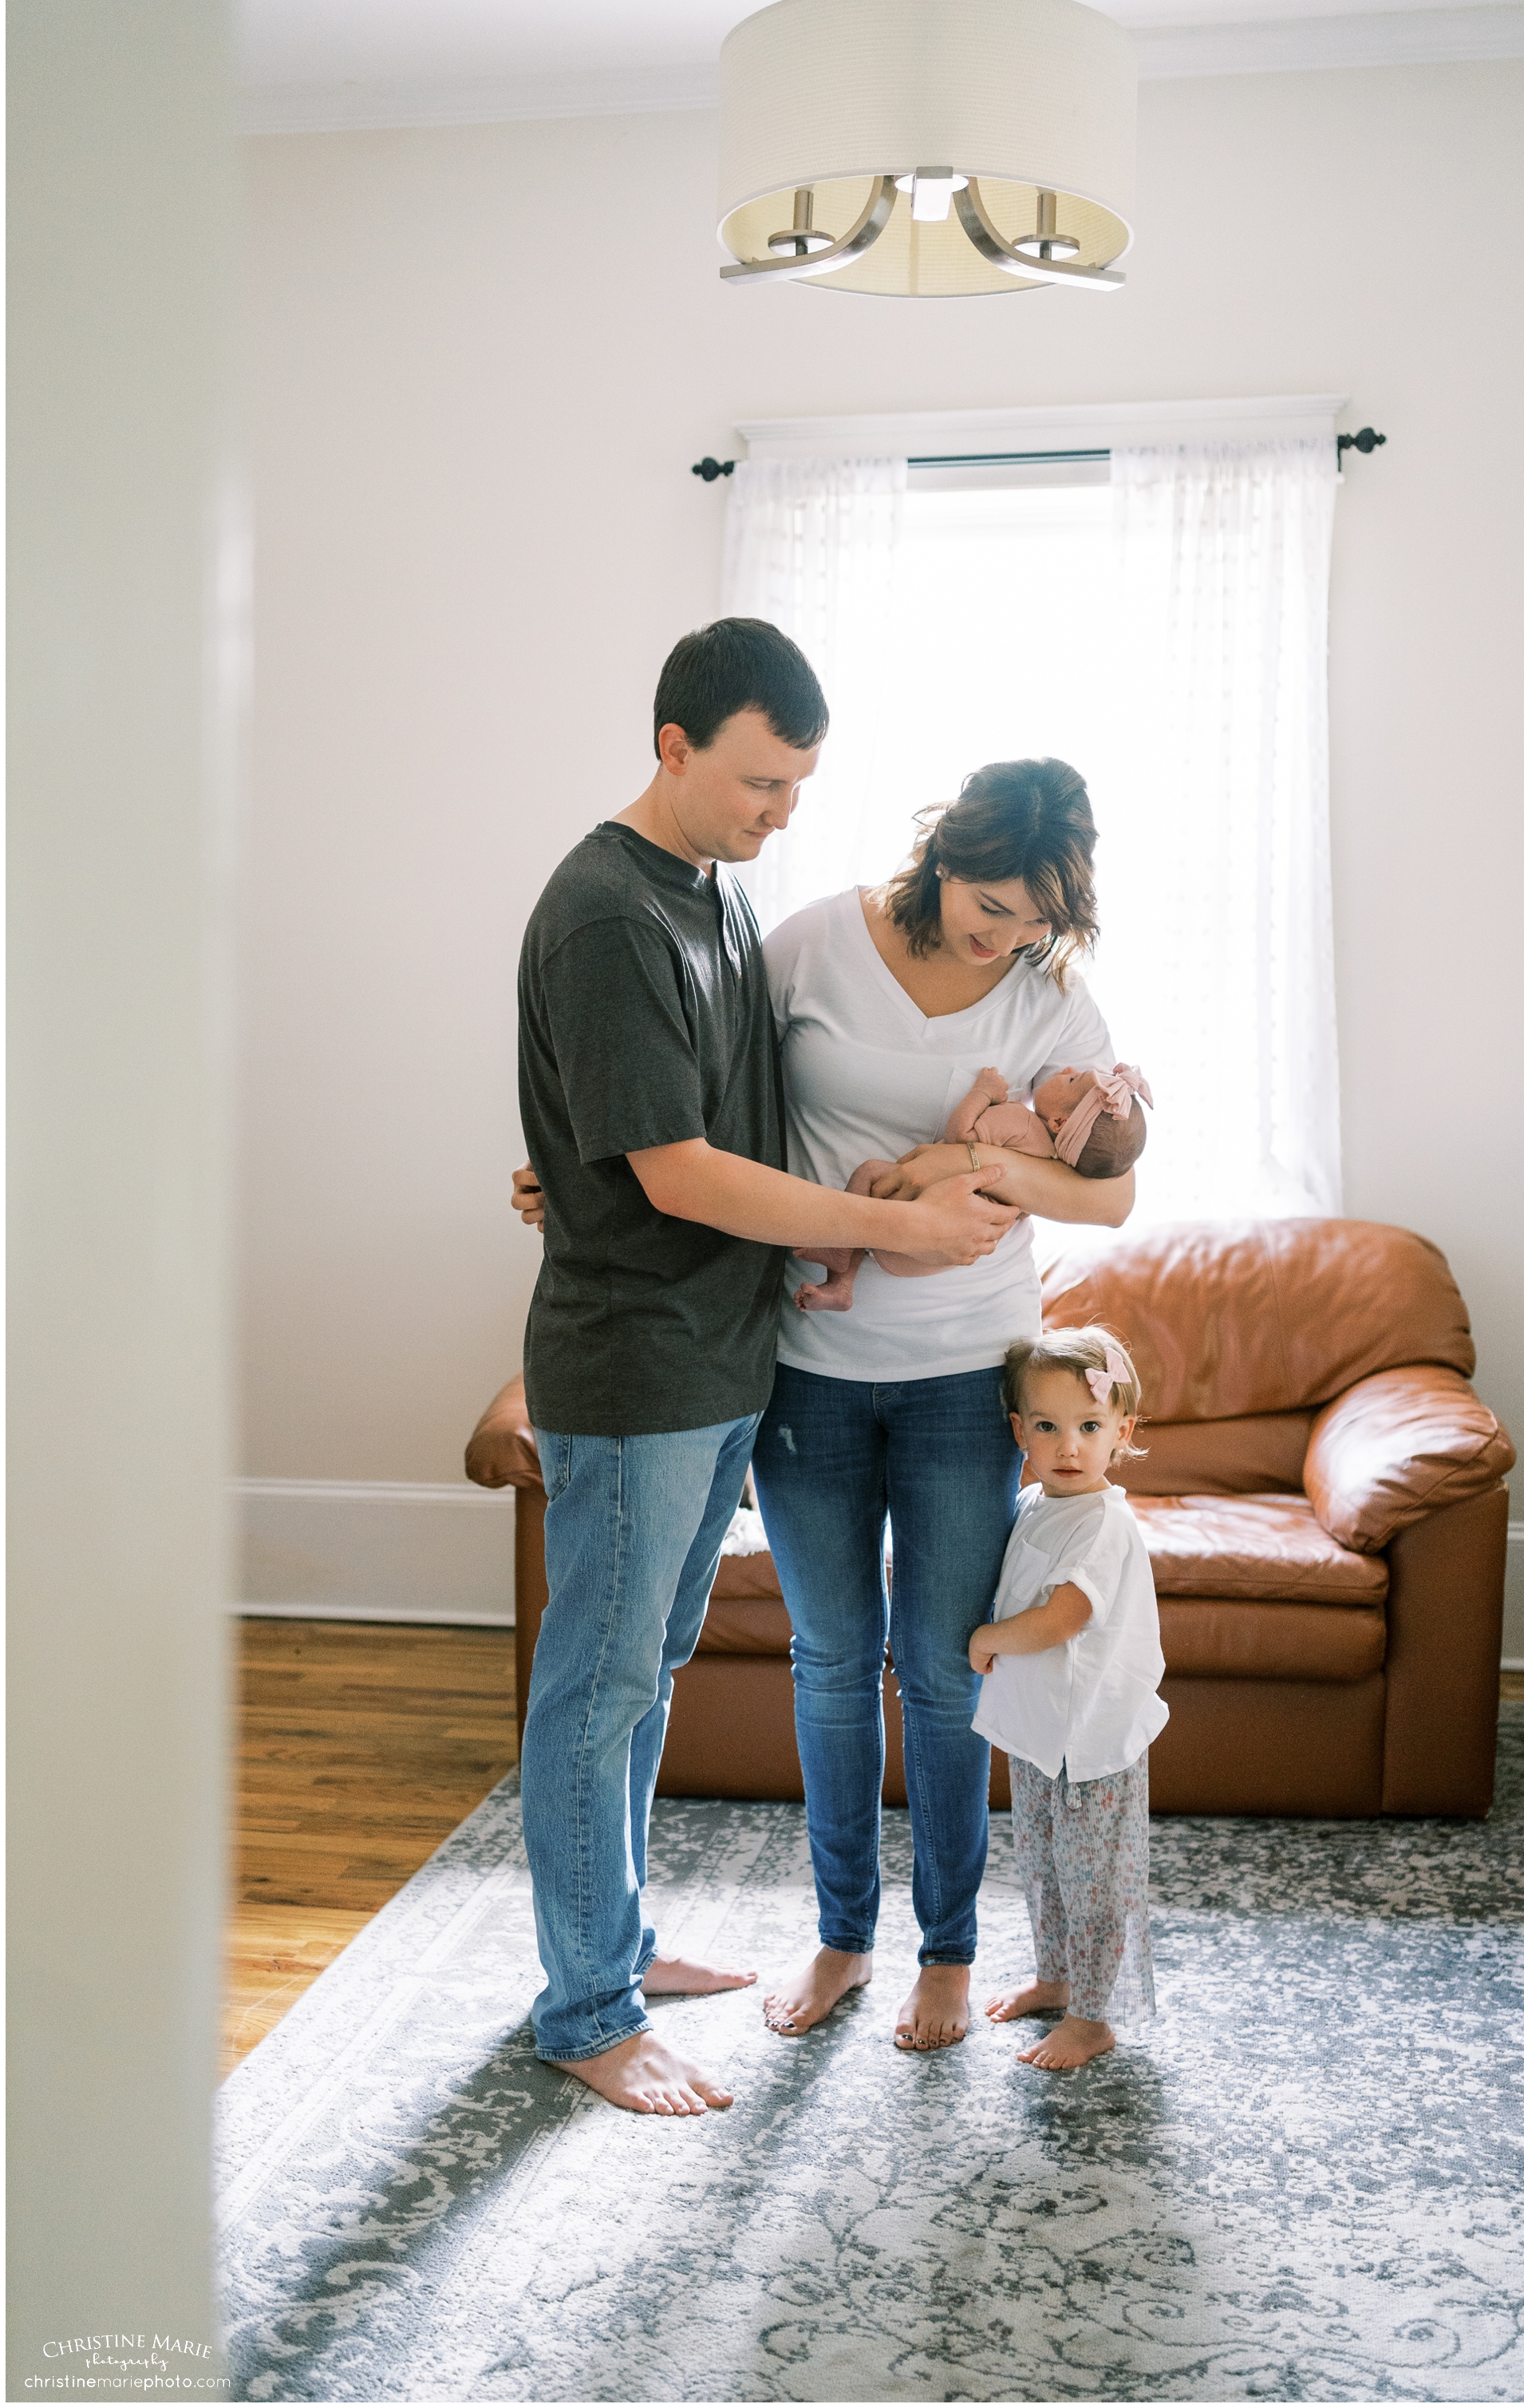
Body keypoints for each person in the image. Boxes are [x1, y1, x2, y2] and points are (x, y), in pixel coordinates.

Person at [514, 618, 1017, 2118]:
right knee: (594, 1689)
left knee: (643, 1673)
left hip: (724, 1356)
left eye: (798, 784)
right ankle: (587, 2008)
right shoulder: (609, 913)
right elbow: (674, 1172)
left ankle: (617, 1943)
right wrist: (888, 1226)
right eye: (756, 781)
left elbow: (709, 1126)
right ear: (672, 746)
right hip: (635, 1366)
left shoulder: (712, 897)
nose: (780, 813)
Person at [748, 757, 1136, 2054]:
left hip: (968, 1380)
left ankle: (950, 1953)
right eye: (992, 902)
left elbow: (1106, 1195)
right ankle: (842, 1935)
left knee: (941, 1672)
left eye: (1035, 917)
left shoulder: (1048, 1003)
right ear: (942, 855)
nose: (1007, 933)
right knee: (827, 1664)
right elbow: (710, 1114)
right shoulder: (810, 947)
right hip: (807, 1369)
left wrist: (968, 1159)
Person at [971, 1326, 1168, 2071]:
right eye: (1049, 1427)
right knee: (1047, 1866)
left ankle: (1093, 2016)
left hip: (1092, 1742)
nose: (1070, 1446)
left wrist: (987, 1637)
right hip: (1043, 1735)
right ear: (1020, 1431)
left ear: (1122, 1432)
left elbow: (1063, 1617)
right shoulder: (1034, 1502)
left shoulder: (1103, 1522)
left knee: (1095, 1884)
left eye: (1089, 1427)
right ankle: (1055, 1976)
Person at [792, 1060, 1153, 1312]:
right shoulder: (1056, 1163)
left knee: (870, 1171)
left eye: (1072, 1082)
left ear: (1059, 1121)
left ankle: (839, 1251)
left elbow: (960, 1135)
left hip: (917, 1216)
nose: (1068, 1071)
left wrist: (982, 1092)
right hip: (949, 1253)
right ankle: (840, 1289)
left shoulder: (1019, 1121)